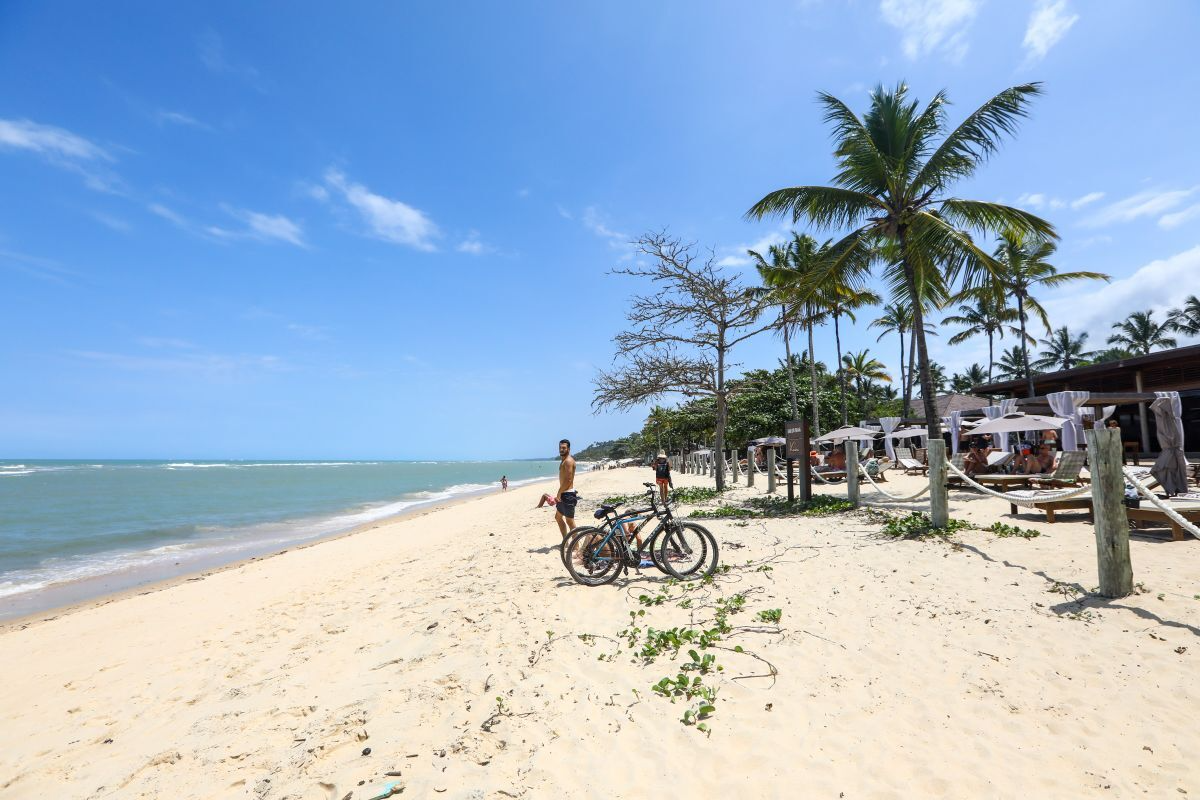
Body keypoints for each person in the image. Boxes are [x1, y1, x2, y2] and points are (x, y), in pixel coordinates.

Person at [554, 438, 577, 545]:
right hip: (564, 493)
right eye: (560, 447)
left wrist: (559, 493)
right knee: (558, 517)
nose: (561, 449)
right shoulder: (563, 460)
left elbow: (568, 480)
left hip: (568, 495)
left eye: (564, 448)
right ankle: (566, 542)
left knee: (570, 521)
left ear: (568, 449)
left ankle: (576, 546)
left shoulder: (568, 461)